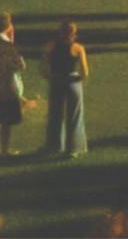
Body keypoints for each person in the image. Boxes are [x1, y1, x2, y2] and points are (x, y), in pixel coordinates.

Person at [42, 20, 88, 157]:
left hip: (56, 80)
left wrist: (49, 77)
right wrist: (77, 79)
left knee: (55, 115)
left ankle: (54, 146)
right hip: (72, 82)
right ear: (74, 33)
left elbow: (42, 65)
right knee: (74, 116)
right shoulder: (78, 48)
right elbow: (85, 72)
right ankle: (74, 148)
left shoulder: (51, 46)